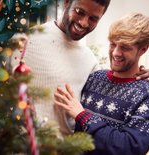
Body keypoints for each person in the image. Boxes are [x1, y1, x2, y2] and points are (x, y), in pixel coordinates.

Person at [24, 0, 149, 136]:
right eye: (79, 12)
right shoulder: (26, 40)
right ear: (66, 3)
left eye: (93, 18)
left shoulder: (90, 62)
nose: (84, 23)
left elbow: (119, 81)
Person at [54, 12, 149, 155]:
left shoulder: (145, 94)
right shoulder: (94, 78)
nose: (116, 53)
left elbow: (130, 147)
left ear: (143, 49)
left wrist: (82, 115)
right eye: (113, 44)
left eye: (125, 47)